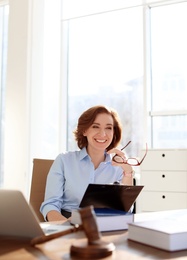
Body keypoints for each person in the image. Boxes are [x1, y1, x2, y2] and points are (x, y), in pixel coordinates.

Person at [40, 105, 134, 221]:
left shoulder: (119, 167)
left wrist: (127, 173)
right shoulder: (64, 160)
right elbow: (50, 205)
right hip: (67, 222)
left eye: (109, 128)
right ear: (84, 130)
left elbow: (125, 211)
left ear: (114, 133)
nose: (103, 134)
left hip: (105, 224)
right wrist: (65, 226)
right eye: (95, 126)